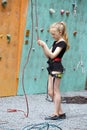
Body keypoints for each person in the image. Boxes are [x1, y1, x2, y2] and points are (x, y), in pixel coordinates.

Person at [37, 22, 70, 120]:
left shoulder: (62, 43)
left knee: (56, 91)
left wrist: (44, 44)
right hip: (51, 67)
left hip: (57, 68)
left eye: (54, 34)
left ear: (60, 32)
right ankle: (61, 112)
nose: (52, 36)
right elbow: (48, 55)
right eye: (51, 34)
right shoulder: (55, 42)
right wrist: (43, 47)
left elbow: (53, 55)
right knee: (50, 92)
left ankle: (56, 113)